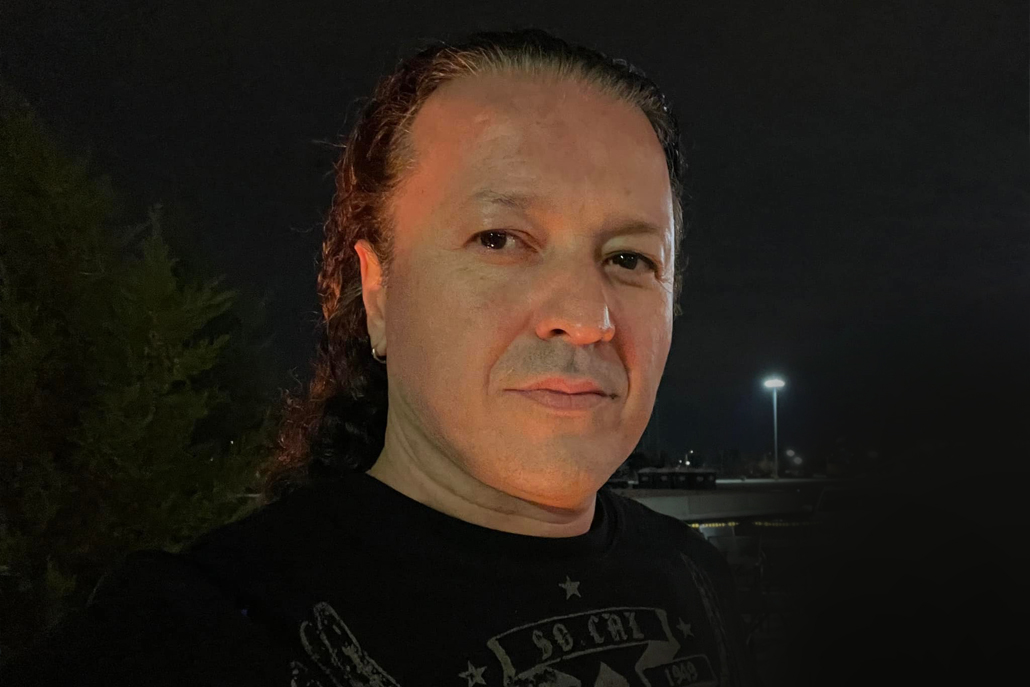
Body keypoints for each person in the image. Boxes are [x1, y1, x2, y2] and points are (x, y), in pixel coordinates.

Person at [2, 28, 757, 687]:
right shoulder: (197, 634)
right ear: (378, 293)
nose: (586, 319)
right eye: (499, 239)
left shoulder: (700, 583)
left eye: (628, 258)